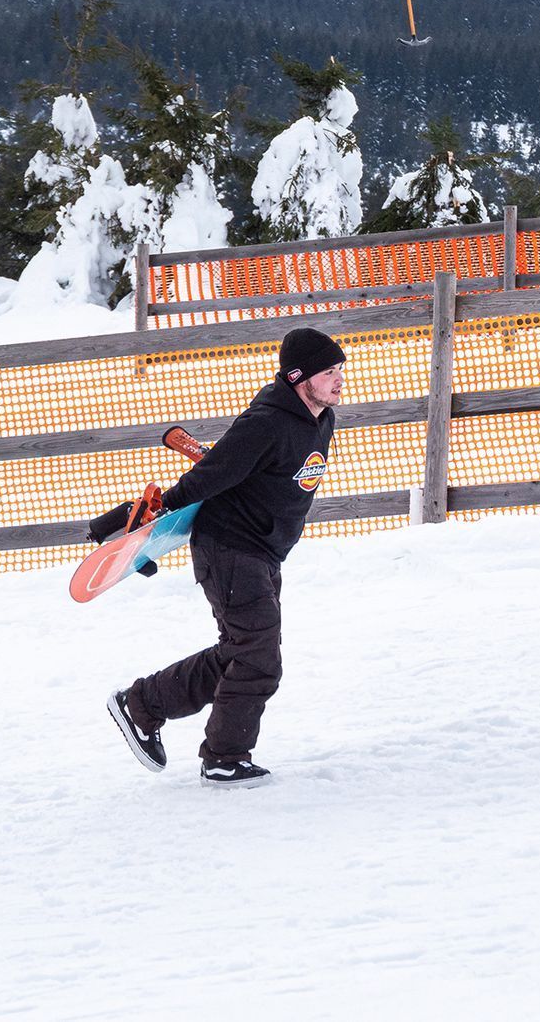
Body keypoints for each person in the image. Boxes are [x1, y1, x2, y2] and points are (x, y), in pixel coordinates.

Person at [100, 325, 346, 786]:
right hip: (230, 547)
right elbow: (215, 473)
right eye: (327, 371)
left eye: (338, 370)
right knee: (259, 658)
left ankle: (142, 705)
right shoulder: (267, 423)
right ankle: (224, 756)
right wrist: (162, 507)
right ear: (299, 377)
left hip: (265, 552)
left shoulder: (321, 418)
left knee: (240, 652)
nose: (338, 379)